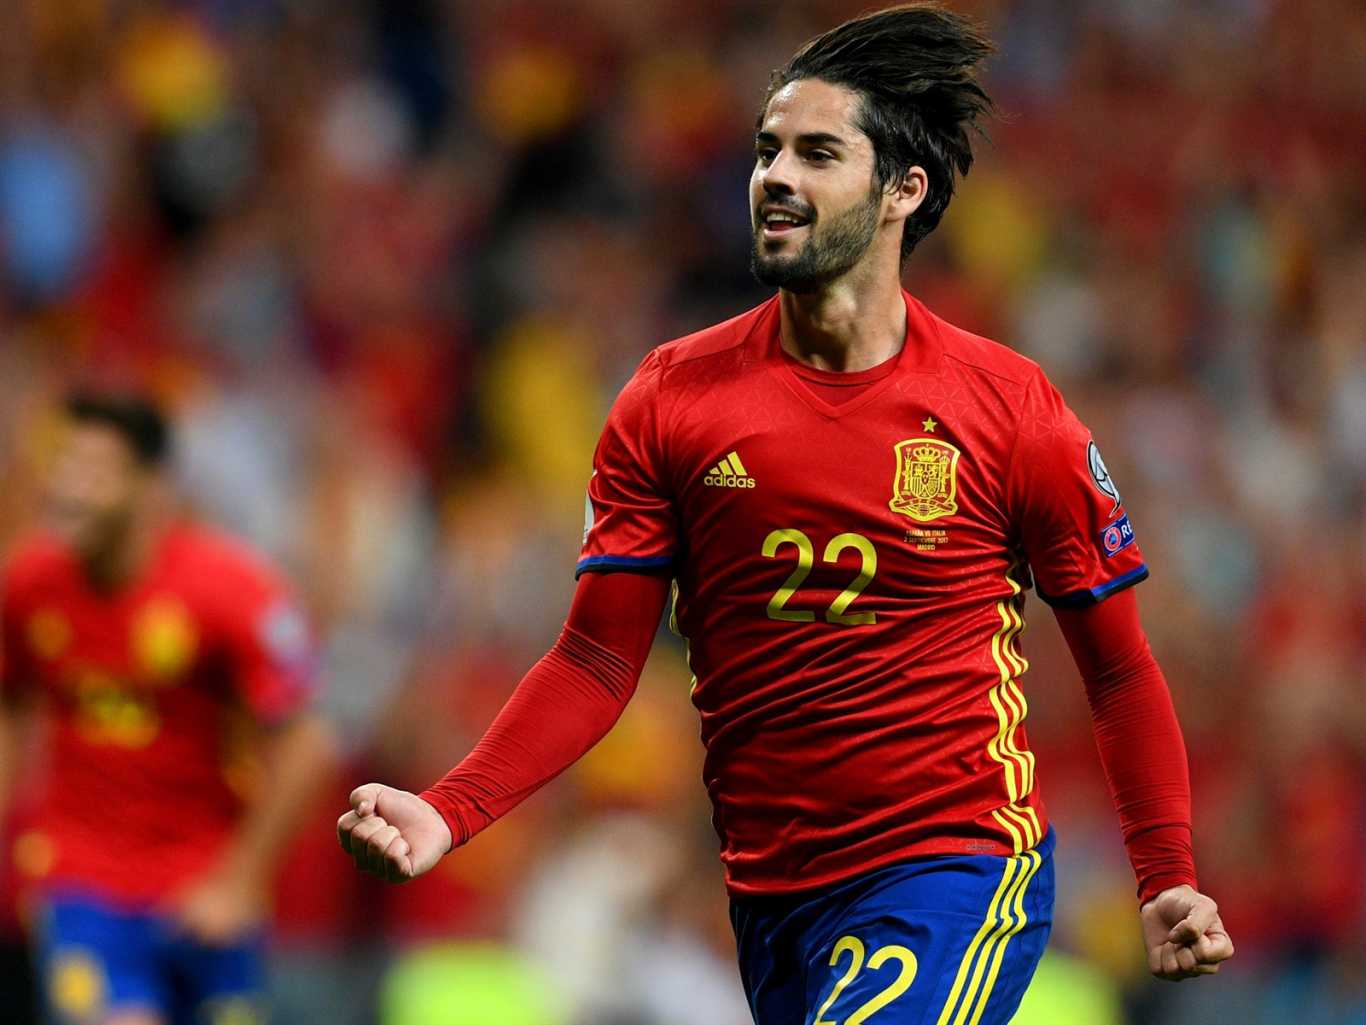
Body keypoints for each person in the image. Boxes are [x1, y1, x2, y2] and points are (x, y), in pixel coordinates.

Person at [337, 4, 1234, 1022]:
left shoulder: (1007, 408)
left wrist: (1164, 870)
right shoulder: (670, 399)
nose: (775, 176)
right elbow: (593, 660)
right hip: (773, 898)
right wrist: (449, 809)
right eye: (768, 150)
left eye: (817, 153)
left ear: (903, 189)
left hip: (952, 865)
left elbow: (1116, 666)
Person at [0, 392, 335, 1025]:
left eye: (95, 472)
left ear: (151, 489)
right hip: (81, 881)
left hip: (201, 888)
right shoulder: (27, 586)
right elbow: (10, 705)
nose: (69, 488)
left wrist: (242, 877)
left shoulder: (233, 590)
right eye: (64, 465)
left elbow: (308, 743)